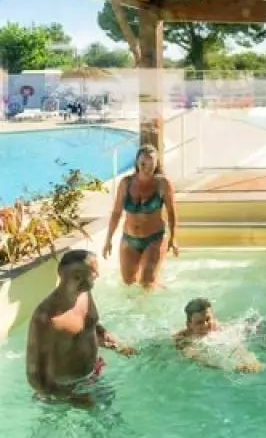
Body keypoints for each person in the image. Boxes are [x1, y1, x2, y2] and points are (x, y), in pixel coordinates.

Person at [26, 249, 136, 408]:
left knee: (111, 413)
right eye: (76, 276)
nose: (83, 282)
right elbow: (34, 371)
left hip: (92, 374)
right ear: (61, 273)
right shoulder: (46, 317)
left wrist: (110, 340)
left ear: (96, 275)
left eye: (89, 276)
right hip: (65, 388)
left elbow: (90, 324)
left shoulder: (85, 294)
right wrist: (59, 396)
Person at [103, 144, 179, 289]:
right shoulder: (126, 183)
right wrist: (108, 239)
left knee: (146, 282)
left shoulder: (163, 184)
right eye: (143, 163)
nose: (147, 167)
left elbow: (171, 212)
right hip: (129, 239)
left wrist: (173, 237)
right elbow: (116, 213)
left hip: (154, 238)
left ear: (156, 163)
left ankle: (155, 292)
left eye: (151, 163)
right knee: (128, 283)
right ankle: (159, 289)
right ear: (137, 163)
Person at [173, 297, 265, 374]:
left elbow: (236, 345)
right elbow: (200, 358)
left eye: (208, 319)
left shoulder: (217, 327)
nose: (205, 325)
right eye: (199, 322)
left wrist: (251, 360)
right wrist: (234, 367)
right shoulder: (182, 338)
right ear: (189, 325)